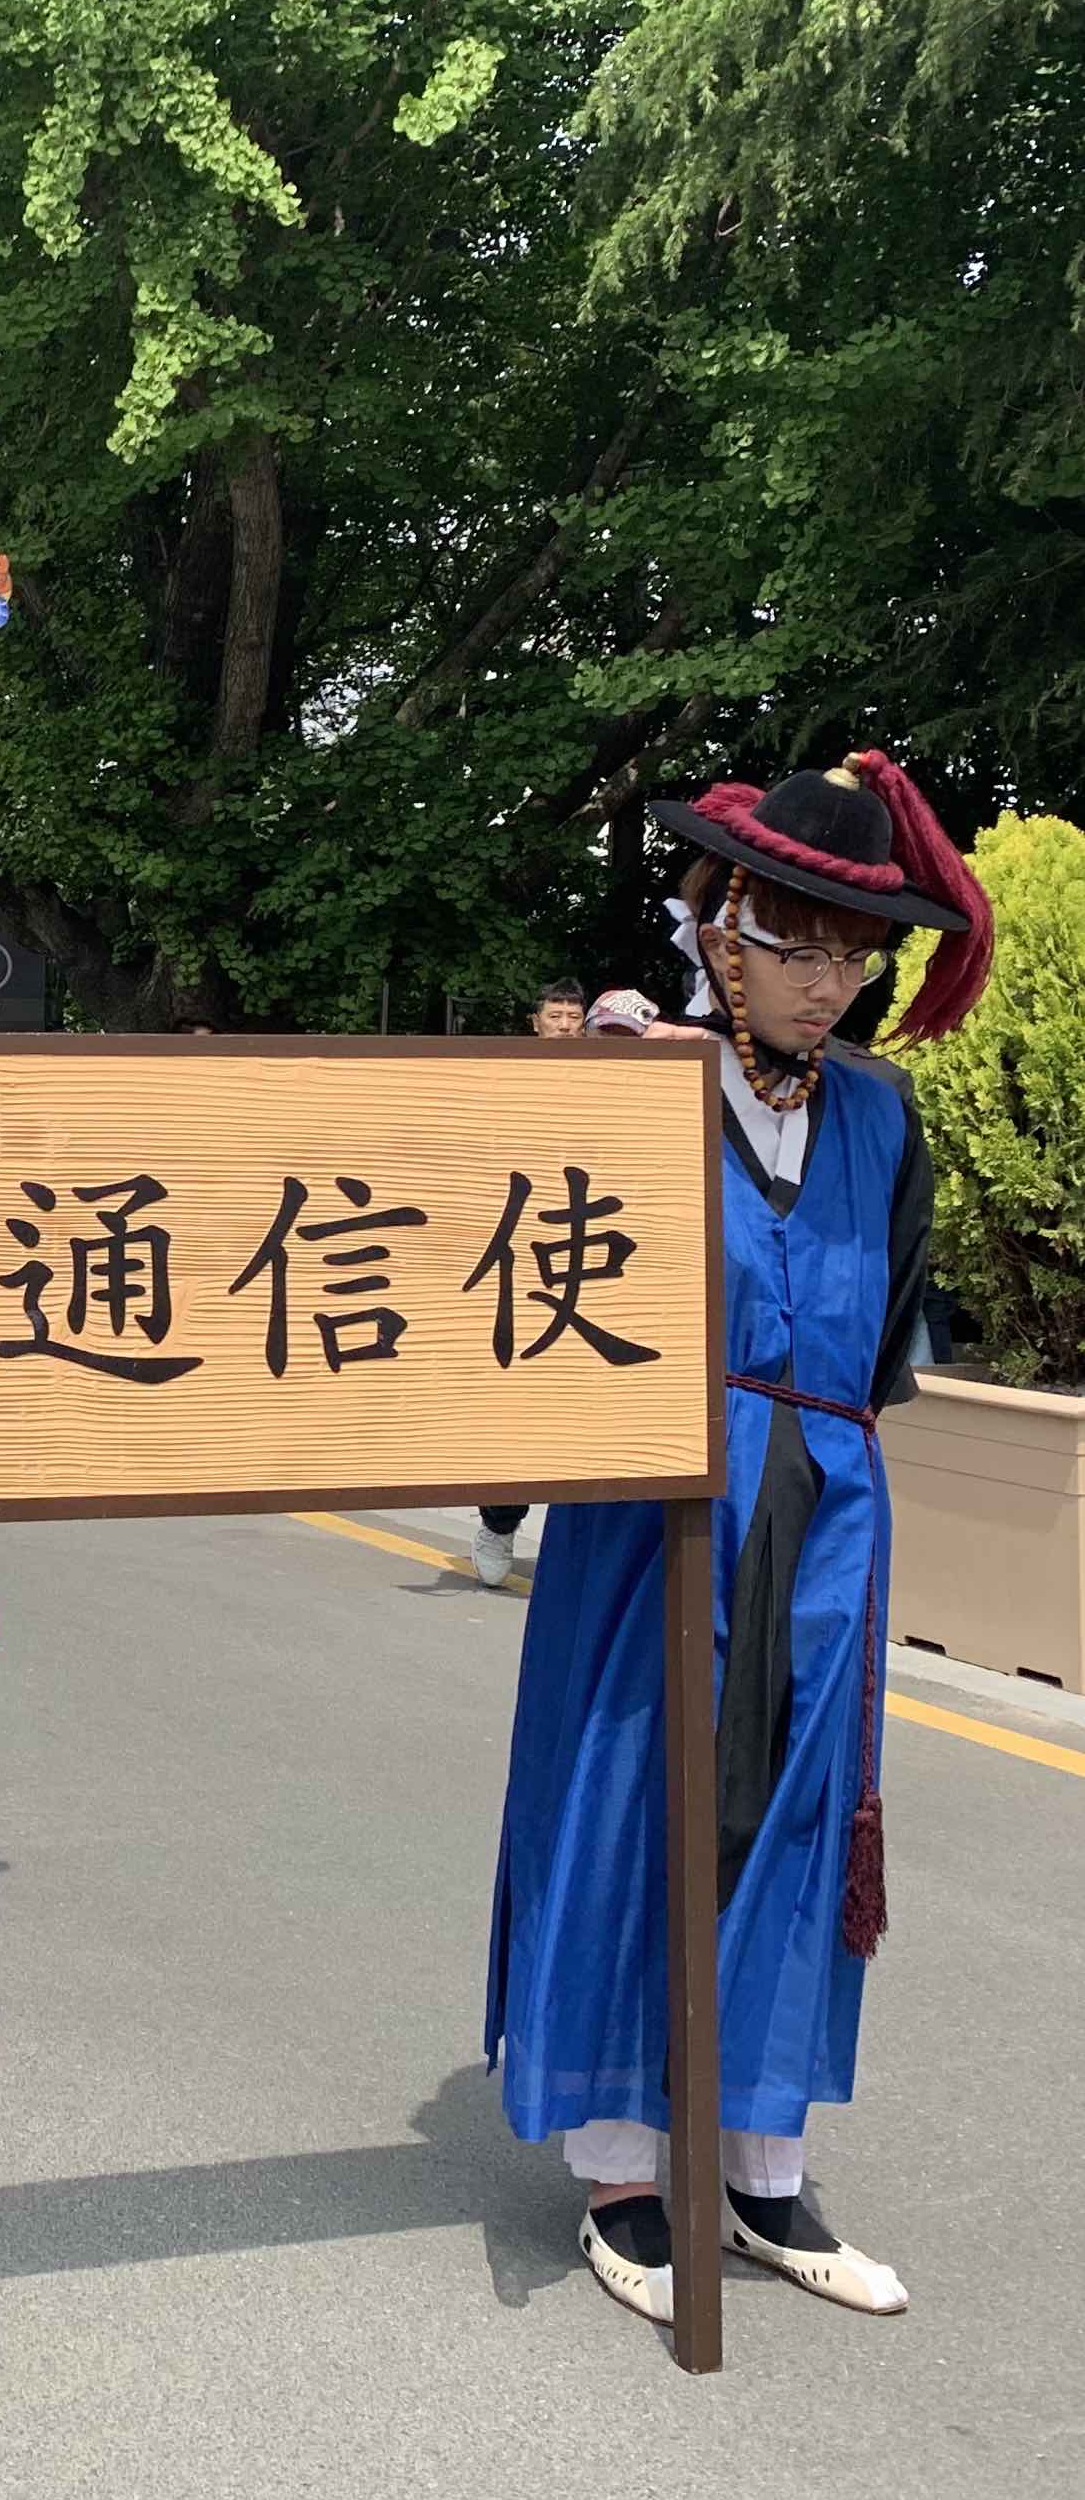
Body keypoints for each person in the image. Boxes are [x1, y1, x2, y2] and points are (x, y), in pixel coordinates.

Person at [486, 752, 990, 2329]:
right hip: (649, 1507)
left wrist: (809, 1468)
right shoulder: (625, 1100)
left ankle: (761, 2164)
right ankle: (625, 2169)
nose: (826, 984)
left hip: (826, 1502)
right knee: (643, 1797)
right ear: (716, 934)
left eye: (854, 954)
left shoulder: (879, 1120)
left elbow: (886, 1328)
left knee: (797, 1811)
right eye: (794, 944)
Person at [469, 980, 595, 1580]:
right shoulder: (507, 1079)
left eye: (575, 1015)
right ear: (536, 1022)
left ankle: (582, 1548)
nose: (566, 1023)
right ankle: (498, 1524)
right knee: (523, 1399)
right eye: (556, 1014)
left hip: (592, 1249)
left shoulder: (616, 1082)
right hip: (521, 1250)